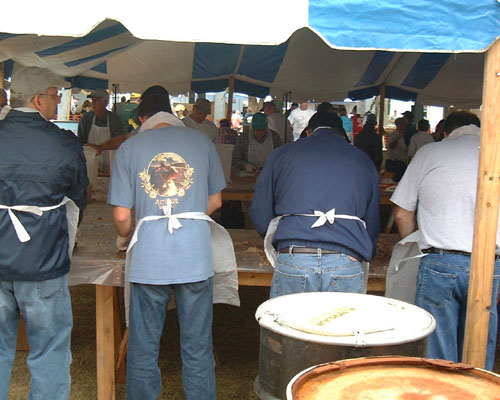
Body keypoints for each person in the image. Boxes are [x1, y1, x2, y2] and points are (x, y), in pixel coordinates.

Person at [108, 94, 226, 399]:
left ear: (143, 118)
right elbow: (216, 201)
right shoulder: (202, 142)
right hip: (195, 256)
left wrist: (127, 235)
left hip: (149, 258)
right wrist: (189, 216)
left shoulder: (129, 147)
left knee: (143, 347)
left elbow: (121, 216)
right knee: (198, 346)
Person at [0, 66, 88, 399]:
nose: (58, 101)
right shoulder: (63, 143)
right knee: (49, 347)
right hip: (43, 259)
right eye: (55, 95)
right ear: (37, 100)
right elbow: (78, 198)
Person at [391, 111, 500, 371]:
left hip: (439, 263)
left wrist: (414, 244)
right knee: (478, 353)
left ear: (444, 132)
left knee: (439, 359)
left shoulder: (429, 153)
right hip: (489, 262)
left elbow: (402, 214)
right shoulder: (495, 154)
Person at [250, 111, 380, 298]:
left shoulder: (282, 155)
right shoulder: (363, 160)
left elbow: (260, 212)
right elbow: (373, 220)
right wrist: (366, 250)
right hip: (346, 258)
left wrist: (273, 238)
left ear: (308, 132)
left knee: (290, 318)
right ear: (343, 135)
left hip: (295, 256)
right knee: (340, 319)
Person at [86, 85, 183, 155]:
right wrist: (101, 147)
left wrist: (102, 147)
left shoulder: (148, 127)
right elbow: (126, 137)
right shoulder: (183, 128)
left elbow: (126, 138)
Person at [77, 88, 123, 173]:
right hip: (90, 163)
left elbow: (118, 143)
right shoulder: (86, 119)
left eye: (96, 101)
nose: (93, 103)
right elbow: (81, 141)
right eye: (92, 100)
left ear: (105, 102)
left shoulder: (114, 120)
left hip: (109, 165)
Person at [231, 112, 282, 177]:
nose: (260, 133)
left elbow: (280, 157)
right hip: (248, 174)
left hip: (269, 173)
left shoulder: (274, 137)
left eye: (262, 130)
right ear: (252, 128)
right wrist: (245, 165)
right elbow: (235, 158)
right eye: (257, 131)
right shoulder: (243, 138)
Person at [384, 117, 407, 182]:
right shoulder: (394, 135)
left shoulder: (403, 136)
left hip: (401, 162)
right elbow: (391, 146)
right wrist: (397, 138)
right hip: (394, 162)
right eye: (403, 125)